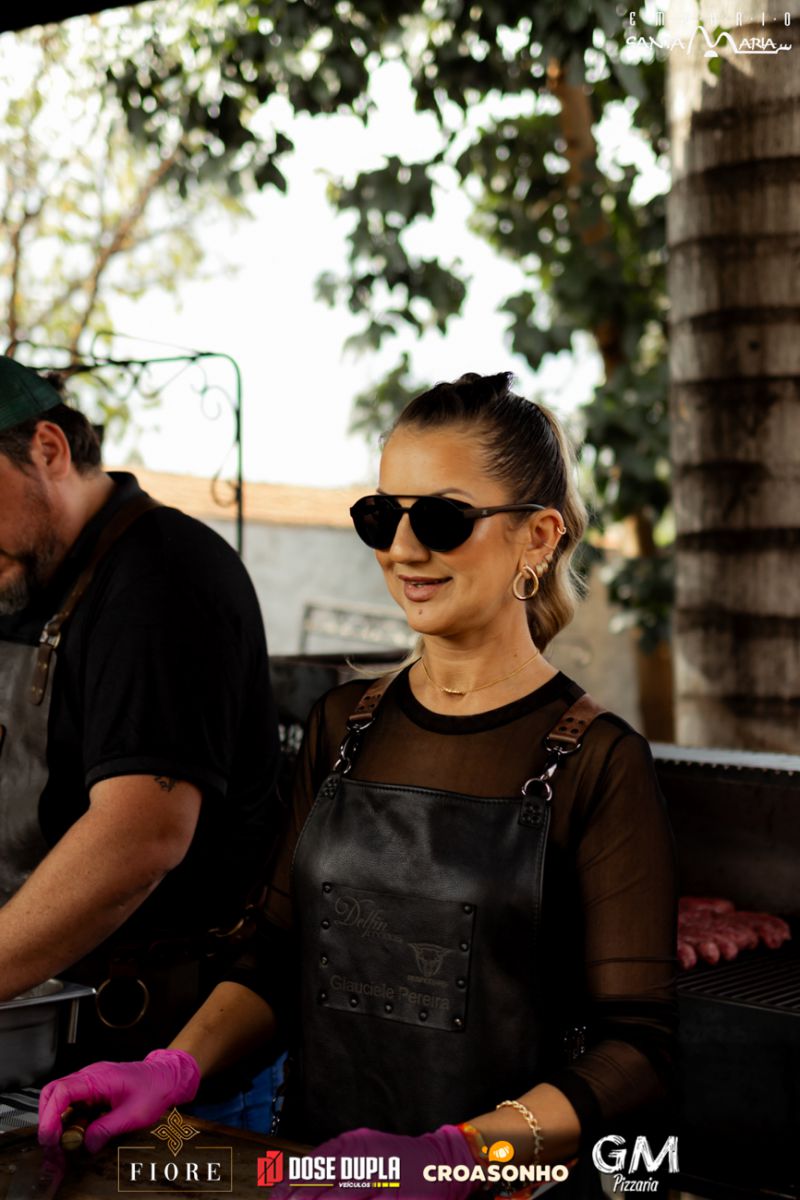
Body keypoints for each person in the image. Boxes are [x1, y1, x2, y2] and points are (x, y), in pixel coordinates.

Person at [39, 372, 677, 1197]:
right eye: (381, 516)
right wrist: (173, 1068)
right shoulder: (344, 727)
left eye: (442, 519)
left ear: (539, 536)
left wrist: (458, 1155)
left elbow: (638, 1052)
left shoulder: (599, 760)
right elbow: (278, 956)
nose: (402, 549)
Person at [0, 356, 284, 1122]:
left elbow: (139, 837)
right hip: (32, 1042)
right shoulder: (20, 572)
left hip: (160, 1060)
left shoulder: (164, 578)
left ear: (48, 450)